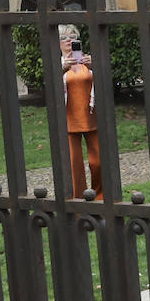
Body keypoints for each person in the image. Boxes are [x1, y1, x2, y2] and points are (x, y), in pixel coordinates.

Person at [58, 24, 100, 199]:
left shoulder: (87, 61)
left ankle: (100, 197)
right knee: (74, 165)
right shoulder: (57, 64)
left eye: (73, 37)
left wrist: (94, 65)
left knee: (98, 162)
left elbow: (103, 82)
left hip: (91, 117)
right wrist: (61, 68)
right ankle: (78, 201)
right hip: (69, 120)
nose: (69, 40)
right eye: (64, 37)